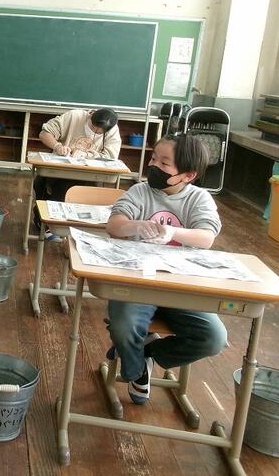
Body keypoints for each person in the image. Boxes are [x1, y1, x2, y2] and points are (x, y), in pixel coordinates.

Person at [104, 133, 226, 404]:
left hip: (180, 286)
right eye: (153, 158)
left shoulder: (199, 199)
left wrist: (173, 232)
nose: (153, 166)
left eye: (164, 163)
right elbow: (114, 225)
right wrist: (134, 226)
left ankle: (146, 353)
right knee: (123, 327)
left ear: (188, 175)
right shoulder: (140, 192)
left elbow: (206, 237)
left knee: (213, 338)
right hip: (138, 282)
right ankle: (135, 369)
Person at [36, 107, 122, 202]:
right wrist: (58, 146)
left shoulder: (112, 130)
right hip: (62, 171)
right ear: (91, 115)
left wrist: (86, 154)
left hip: (91, 175)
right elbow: (44, 133)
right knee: (57, 188)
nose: (94, 132)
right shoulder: (74, 116)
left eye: (99, 133)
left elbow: (111, 157)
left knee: (90, 195)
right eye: (93, 127)